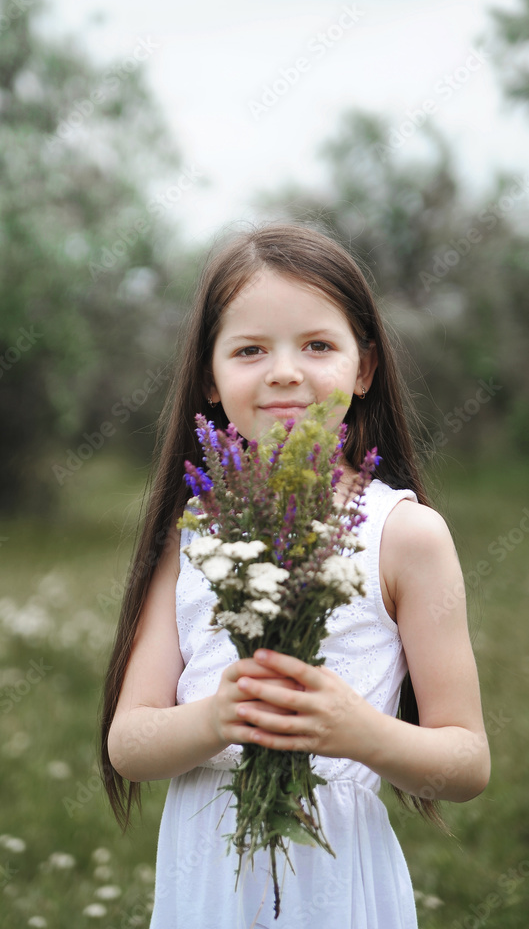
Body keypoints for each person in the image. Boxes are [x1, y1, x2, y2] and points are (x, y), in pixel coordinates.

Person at [99, 223, 490, 928]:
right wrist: (216, 719)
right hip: (207, 879)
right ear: (209, 378)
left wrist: (356, 731)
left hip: (336, 879)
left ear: (363, 369)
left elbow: (465, 764)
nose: (283, 372)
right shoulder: (193, 534)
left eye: (317, 345)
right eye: (249, 350)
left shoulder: (404, 536)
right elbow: (129, 744)